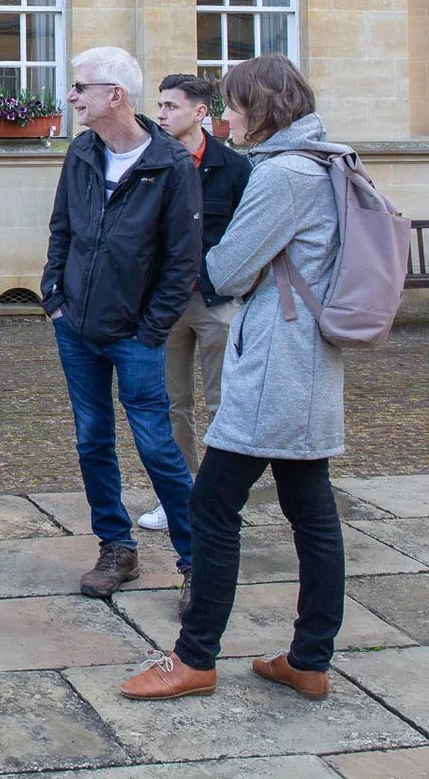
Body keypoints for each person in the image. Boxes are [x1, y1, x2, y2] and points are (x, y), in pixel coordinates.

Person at [121, 54, 349, 702]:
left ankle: (193, 658)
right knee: (312, 511)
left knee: (211, 504)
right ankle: (308, 658)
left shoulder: (284, 176)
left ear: (264, 107)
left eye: (235, 104)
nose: (227, 115)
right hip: (309, 361)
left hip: (276, 365)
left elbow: (225, 270)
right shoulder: (326, 158)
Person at [41, 46, 202, 606]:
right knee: (92, 440)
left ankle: (195, 560)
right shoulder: (82, 151)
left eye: (80, 87)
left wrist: (151, 328)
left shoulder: (171, 166)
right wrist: (53, 298)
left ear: (116, 95)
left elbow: (183, 261)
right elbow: (61, 229)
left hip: (135, 335)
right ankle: (117, 548)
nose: (71, 97)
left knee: (157, 446)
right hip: (76, 327)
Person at [138, 73, 251, 532]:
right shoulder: (150, 161)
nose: (161, 115)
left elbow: (249, 237)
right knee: (170, 401)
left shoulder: (234, 167)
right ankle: (179, 494)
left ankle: (221, 500)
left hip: (217, 300)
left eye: (171, 106)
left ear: (201, 112)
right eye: (160, 106)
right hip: (164, 303)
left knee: (223, 401)